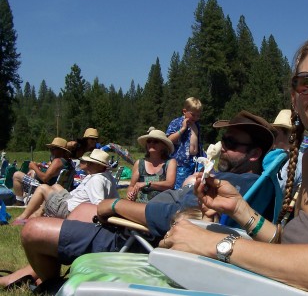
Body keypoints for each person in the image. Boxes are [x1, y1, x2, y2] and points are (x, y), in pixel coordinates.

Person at [161, 34, 308, 295]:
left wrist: (216, 243)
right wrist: (240, 209)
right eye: (307, 82)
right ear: (295, 99)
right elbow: (289, 248)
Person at [0, 110, 276, 290]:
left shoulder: (241, 185)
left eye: (231, 143)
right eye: (223, 140)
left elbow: (179, 218)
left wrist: (117, 205)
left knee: (32, 230)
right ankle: (36, 271)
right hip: (137, 226)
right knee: (84, 208)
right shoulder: (238, 179)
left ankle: (49, 282)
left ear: (254, 154)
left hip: (144, 237)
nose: (223, 147)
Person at [13, 149, 119, 223]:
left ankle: (23, 217)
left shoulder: (97, 179)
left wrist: (34, 167)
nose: (87, 163)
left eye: (90, 162)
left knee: (43, 188)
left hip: (71, 210)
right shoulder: (106, 176)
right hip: (73, 201)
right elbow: (115, 198)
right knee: (56, 186)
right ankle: (37, 215)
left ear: (99, 166)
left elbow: (98, 205)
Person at [12, 137, 73, 205]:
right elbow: (53, 172)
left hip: (46, 188)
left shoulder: (57, 161)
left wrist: (34, 167)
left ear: (61, 150)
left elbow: (45, 178)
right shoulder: (68, 162)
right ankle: (25, 197)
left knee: (17, 175)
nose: (51, 151)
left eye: (53, 149)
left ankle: (19, 201)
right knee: (32, 172)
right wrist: (42, 166)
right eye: (50, 149)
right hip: (57, 188)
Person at [127, 127, 177, 203]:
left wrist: (146, 184)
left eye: (155, 141)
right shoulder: (139, 163)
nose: (151, 144)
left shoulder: (170, 162)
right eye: (149, 141)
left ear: (163, 146)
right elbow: (132, 186)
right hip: (141, 205)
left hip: (163, 204)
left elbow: (170, 184)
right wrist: (130, 193)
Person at [166, 97, 204, 189]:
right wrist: (182, 129)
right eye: (193, 115)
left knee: (193, 186)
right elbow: (169, 140)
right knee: (179, 187)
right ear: (184, 111)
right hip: (180, 163)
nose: (196, 118)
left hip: (194, 162)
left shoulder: (197, 125)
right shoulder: (176, 123)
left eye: (198, 116)